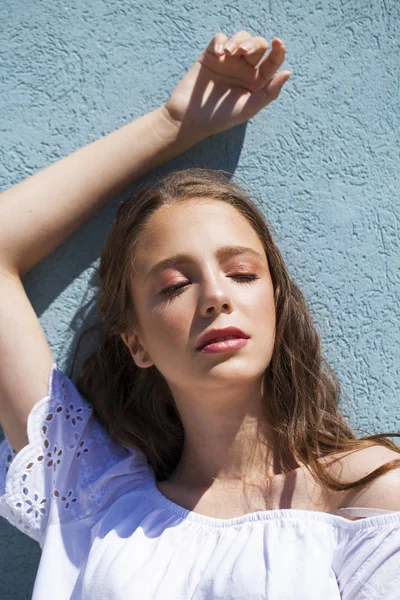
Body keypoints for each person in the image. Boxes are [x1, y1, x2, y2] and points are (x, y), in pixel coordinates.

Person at [0, 29, 399, 600]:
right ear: (135, 342)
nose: (216, 296)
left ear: (277, 309)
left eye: (242, 274)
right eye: (175, 284)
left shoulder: (366, 499)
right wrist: (172, 123)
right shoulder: (92, 498)